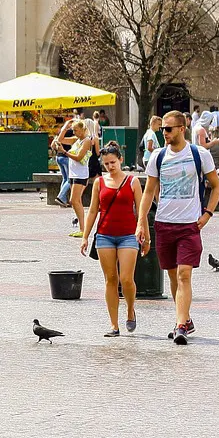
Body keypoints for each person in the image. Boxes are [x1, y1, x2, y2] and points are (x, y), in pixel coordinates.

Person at [136, 111, 219, 345]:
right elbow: (148, 191)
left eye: (169, 129)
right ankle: (184, 318)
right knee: (174, 277)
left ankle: (181, 325)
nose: (164, 133)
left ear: (182, 129)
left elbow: (216, 187)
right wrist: (141, 222)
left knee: (185, 275)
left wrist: (207, 214)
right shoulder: (158, 156)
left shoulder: (199, 154)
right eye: (162, 129)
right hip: (165, 224)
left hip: (189, 225)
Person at [80, 143, 145, 337]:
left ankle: (130, 310)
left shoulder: (133, 182)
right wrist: (85, 236)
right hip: (104, 235)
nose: (110, 166)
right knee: (110, 280)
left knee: (126, 279)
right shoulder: (99, 182)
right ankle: (114, 325)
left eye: (113, 162)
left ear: (121, 160)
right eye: (106, 163)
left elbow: (141, 210)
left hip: (128, 235)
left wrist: (145, 235)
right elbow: (93, 210)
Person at [64, 119, 94, 237]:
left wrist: (64, 152)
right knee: (77, 201)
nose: (74, 132)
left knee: (74, 200)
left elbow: (78, 157)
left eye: (76, 130)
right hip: (73, 174)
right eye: (73, 130)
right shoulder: (77, 140)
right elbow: (61, 139)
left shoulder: (86, 141)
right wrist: (65, 127)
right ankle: (82, 228)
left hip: (80, 175)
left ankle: (83, 229)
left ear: (82, 130)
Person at [51, 119, 76, 209]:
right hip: (66, 157)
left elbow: (52, 145)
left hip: (59, 157)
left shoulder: (61, 133)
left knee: (65, 178)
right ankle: (61, 197)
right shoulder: (71, 132)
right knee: (70, 180)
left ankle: (63, 201)